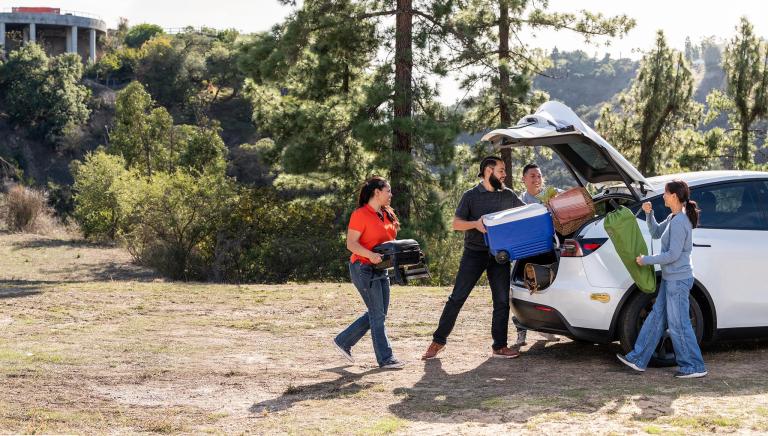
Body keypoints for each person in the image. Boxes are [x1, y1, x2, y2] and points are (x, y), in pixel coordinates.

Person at [422, 156, 525, 360]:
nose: (505, 174)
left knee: (502, 301)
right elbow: (456, 224)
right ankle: (438, 341)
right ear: (488, 171)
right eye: (501, 170)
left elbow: (525, 213)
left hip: (500, 256)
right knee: (457, 298)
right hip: (474, 254)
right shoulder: (470, 196)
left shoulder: (508, 195)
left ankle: (500, 346)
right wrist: (475, 224)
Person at [616, 180, 707, 378]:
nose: (663, 196)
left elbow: (673, 255)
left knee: (679, 324)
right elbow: (656, 233)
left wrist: (646, 260)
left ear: (674, 196)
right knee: (656, 317)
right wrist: (649, 214)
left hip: (679, 280)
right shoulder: (673, 217)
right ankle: (638, 358)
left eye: (665, 193)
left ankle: (694, 365)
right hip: (670, 279)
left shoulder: (681, 221)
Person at [333, 176, 405, 369]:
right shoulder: (360, 214)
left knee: (379, 313)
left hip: (380, 268)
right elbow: (351, 244)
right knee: (377, 314)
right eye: (388, 191)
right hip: (363, 268)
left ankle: (343, 341)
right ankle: (385, 358)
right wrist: (370, 255)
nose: (391, 194)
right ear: (377, 192)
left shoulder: (386, 214)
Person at [514, 163, 560, 346]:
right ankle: (521, 331)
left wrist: (554, 205)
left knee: (547, 287)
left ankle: (547, 329)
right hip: (525, 251)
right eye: (532, 176)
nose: (536, 179)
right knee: (523, 290)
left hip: (547, 248)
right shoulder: (519, 201)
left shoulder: (551, 194)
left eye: (539, 176)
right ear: (524, 179)